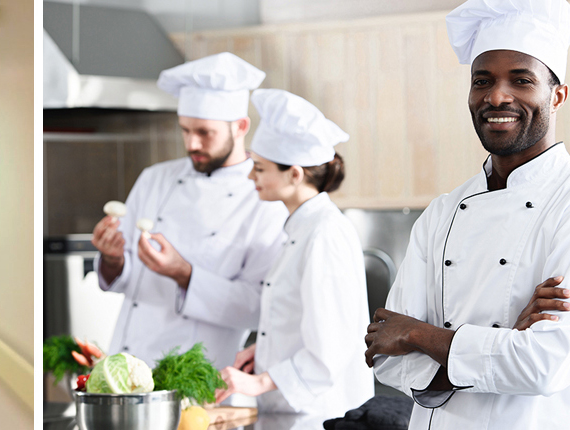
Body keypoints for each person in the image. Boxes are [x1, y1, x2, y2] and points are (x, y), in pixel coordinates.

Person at [362, 0, 570, 427]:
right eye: (481, 80)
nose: (496, 96)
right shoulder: (442, 213)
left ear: (557, 95)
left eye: (521, 80)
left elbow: (544, 365)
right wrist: (504, 343)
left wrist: (421, 335)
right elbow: (385, 356)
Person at [92, 52, 290, 368]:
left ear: (240, 126)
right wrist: (112, 258)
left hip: (198, 373)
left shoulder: (265, 197)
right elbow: (124, 276)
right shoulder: (155, 178)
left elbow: (259, 307)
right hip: (129, 360)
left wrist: (183, 273)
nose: (192, 144)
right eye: (185, 130)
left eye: (204, 132)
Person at [212, 89, 372, 419]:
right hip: (294, 412)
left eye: (258, 168)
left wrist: (259, 383)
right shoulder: (302, 229)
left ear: (294, 174)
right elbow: (302, 321)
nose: (250, 176)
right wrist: (264, 351)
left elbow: (331, 347)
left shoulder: (324, 234)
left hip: (321, 415)